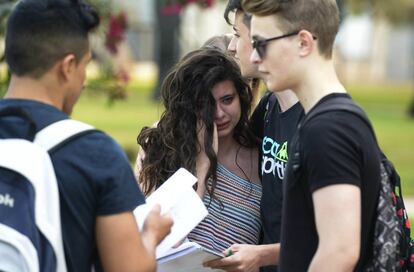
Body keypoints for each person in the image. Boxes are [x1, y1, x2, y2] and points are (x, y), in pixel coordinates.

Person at [0, 0, 172, 271]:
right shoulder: (95, 153)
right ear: (67, 66)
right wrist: (151, 234)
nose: (83, 78)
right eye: (85, 65)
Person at [243, 0, 381, 271]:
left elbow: (339, 252)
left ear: (304, 43)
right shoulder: (333, 119)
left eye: (261, 44)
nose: (254, 58)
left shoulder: (328, 130)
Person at [205, 1, 303, 271]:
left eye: (238, 34)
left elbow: (338, 240)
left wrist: (262, 255)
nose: (233, 47)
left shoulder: (319, 123)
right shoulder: (270, 108)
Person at [136, 48, 262, 253]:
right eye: (206, 104)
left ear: (242, 98)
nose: (219, 113)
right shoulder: (164, 150)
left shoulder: (262, 159)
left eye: (227, 100)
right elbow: (163, 243)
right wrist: (202, 167)